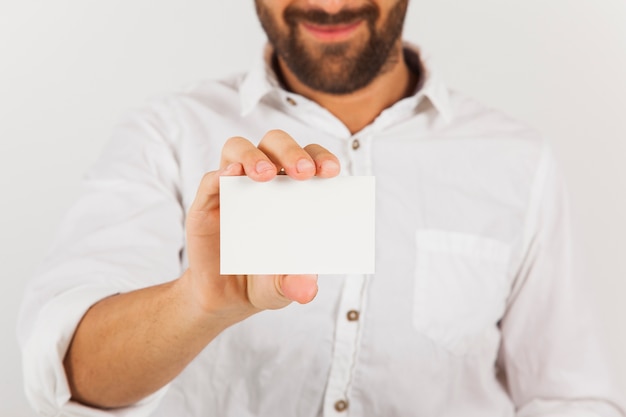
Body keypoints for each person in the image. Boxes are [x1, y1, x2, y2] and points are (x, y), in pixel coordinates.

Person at [17, 0, 626, 416]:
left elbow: (567, 396)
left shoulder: (519, 161)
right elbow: (66, 372)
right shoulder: (167, 134)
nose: (331, 3)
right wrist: (197, 303)